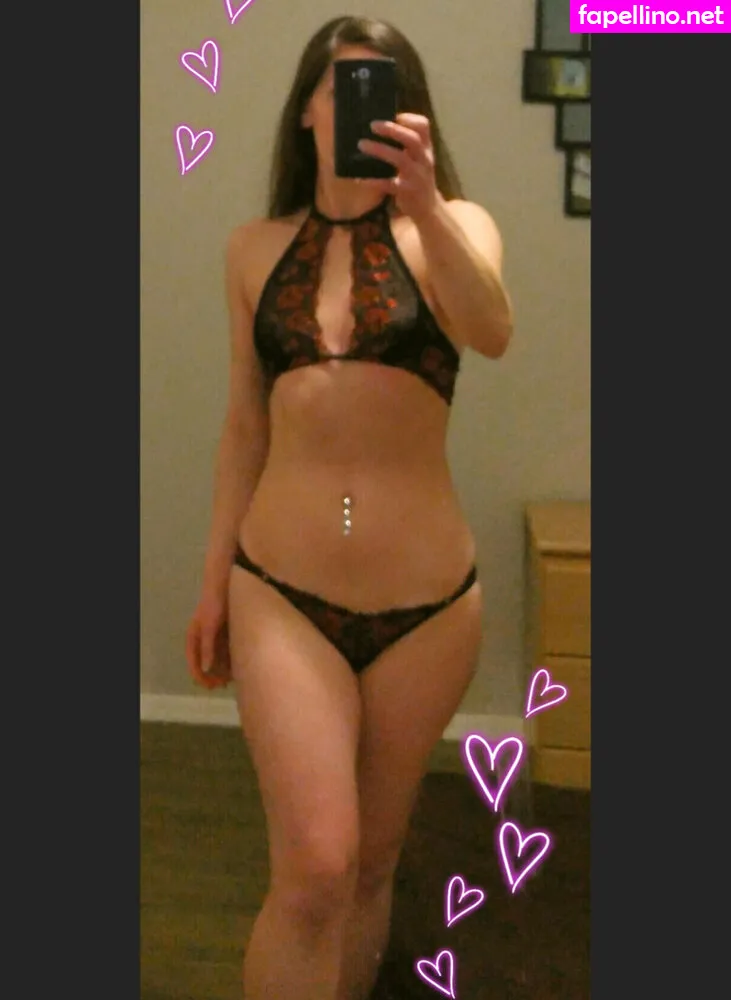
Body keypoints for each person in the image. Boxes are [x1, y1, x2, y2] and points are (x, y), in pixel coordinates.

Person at [185, 14, 512, 1000]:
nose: (361, 106)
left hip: (428, 607)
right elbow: (244, 426)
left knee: (371, 863)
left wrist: (425, 202)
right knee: (316, 867)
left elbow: (492, 330)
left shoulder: (456, 227)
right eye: (343, 86)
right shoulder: (251, 250)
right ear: (307, 112)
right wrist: (213, 583)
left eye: (385, 89)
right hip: (282, 590)